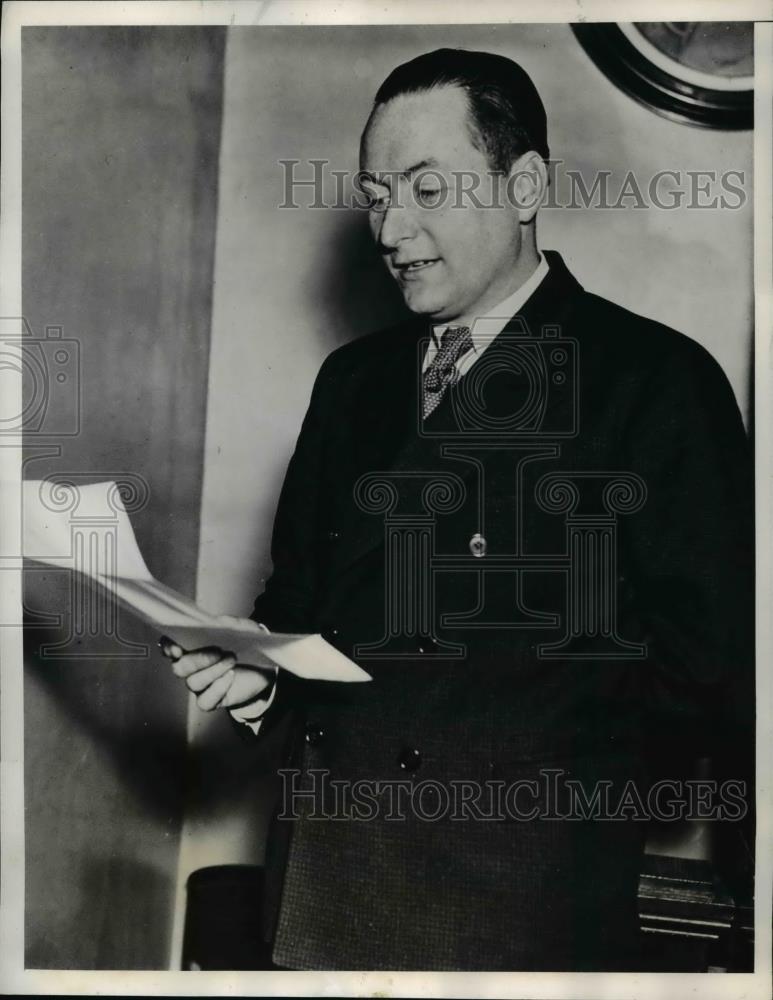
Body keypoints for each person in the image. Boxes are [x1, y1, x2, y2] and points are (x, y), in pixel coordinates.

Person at [162, 48, 753, 971]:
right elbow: (301, 606)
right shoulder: (351, 384)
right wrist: (260, 674)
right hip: (321, 885)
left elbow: (708, 674)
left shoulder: (655, 383)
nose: (392, 226)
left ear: (523, 185)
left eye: (426, 188)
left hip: (515, 906)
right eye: (374, 194)